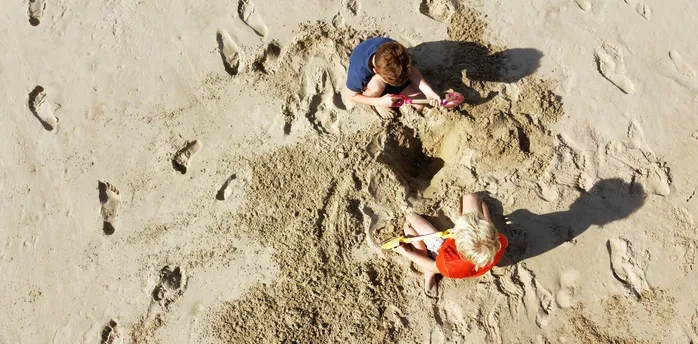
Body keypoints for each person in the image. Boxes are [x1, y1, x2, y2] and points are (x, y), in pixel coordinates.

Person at [392, 194, 508, 292]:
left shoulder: (449, 263)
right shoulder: (499, 242)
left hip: (441, 257)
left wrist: (404, 252)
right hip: (477, 260)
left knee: (410, 223)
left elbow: (432, 265)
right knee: (471, 197)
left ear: (457, 240)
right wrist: (486, 221)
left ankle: (429, 273)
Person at [345, 37, 441, 118]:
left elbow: (411, 71)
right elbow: (352, 96)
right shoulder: (357, 73)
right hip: (373, 82)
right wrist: (379, 102)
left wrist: (429, 92)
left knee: (420, 104)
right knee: (377, 84)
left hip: (388, 70)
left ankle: (389, 89)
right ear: (376, 71)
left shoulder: (396, 51)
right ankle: (377, 101)